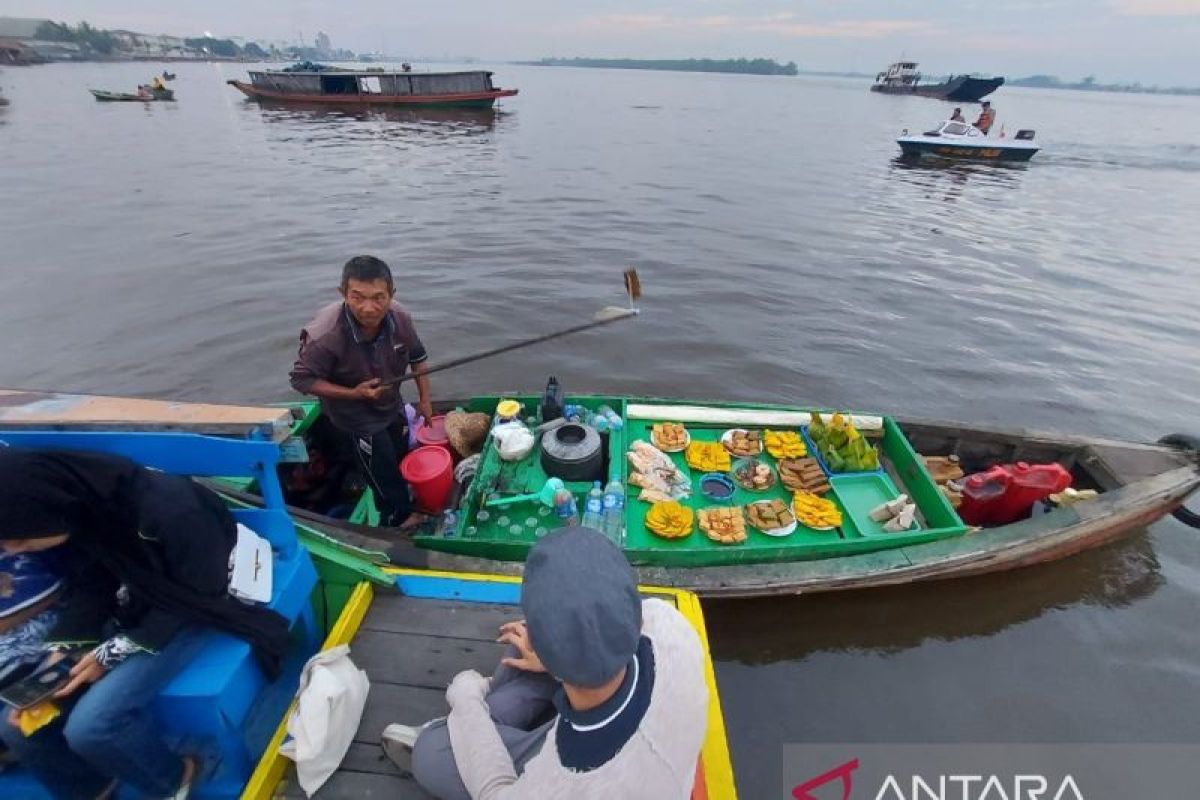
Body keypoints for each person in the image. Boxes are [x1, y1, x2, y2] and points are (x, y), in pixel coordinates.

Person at [0, 449, 290, 799]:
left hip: (197, 607)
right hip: (139, 601)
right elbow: (93, 582)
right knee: (19, 729)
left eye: (19, 538)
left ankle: (175, 776)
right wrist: (63, 649)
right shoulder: (84, 508)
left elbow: (202, 591)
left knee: (92, 727)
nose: (15, 550)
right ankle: (93, 788)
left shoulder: (172, 510)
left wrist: (111, 653)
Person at [386, 527, 709, 799]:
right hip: (651, 737)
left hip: (603, 776)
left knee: (431, 754)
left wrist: (466, 700)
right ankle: (468, 725)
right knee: (521, 648)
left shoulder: (568, 780)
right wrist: (547, 658)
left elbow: (497, 793)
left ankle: (457, 726)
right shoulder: (669, 623)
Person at [290, 255, 433, 527]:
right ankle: (397, 517)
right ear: (343, 293)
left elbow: (418, 356)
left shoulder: (400, 317)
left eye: (379, 297)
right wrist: (354, 394)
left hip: (389, 402)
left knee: (398, 450)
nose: (369, 308)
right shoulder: (326, 335)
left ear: (392, 293)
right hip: (355, 415)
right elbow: (302, 380)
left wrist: (425, 399)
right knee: (382, 469)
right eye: (357, 297)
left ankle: (393, 485)